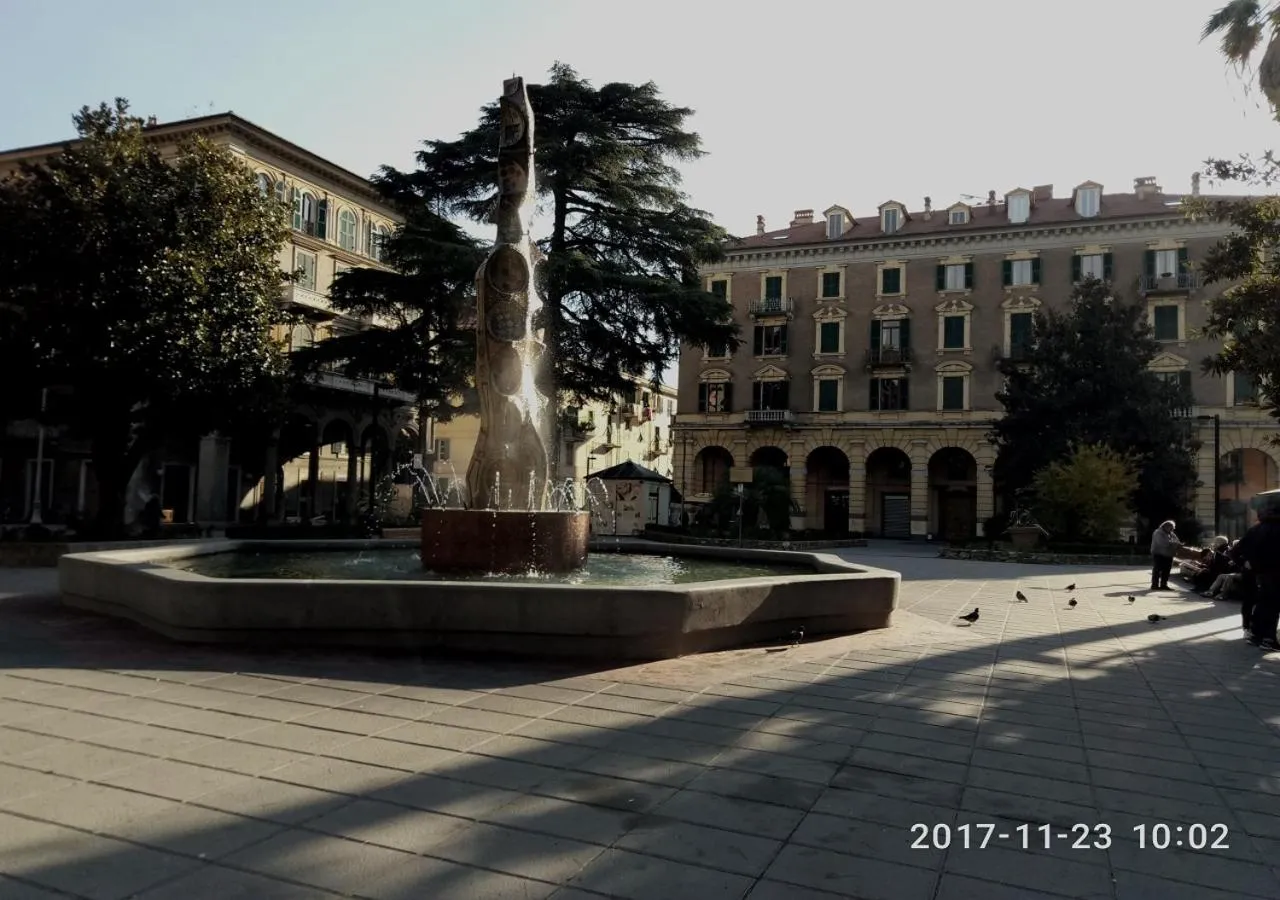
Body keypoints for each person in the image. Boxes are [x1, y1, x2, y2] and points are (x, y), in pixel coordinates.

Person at [1234, 495, 1280, 650]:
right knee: (1273, 606)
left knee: (1263, 603)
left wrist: (1248, 564)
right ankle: (1269, 639)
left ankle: (1256, 635)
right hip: (1276, 572)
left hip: (1260, 573)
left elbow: (1235, 551)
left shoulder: (1256, 529)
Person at [1149, 520, 1181, 591]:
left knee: (1167, 570)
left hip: (1169, 554)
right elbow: (1163, 543)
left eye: (1173, 528)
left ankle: (1164, 585)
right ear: (1166, 526)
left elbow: (1177, 541)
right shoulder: (1158, 533)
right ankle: (1154, 585)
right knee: (1157, 569)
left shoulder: (1171, 534)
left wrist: (1178, 544)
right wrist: (1173, 543)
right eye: (1171, 528)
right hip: (1158, 553)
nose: (1172, 530)